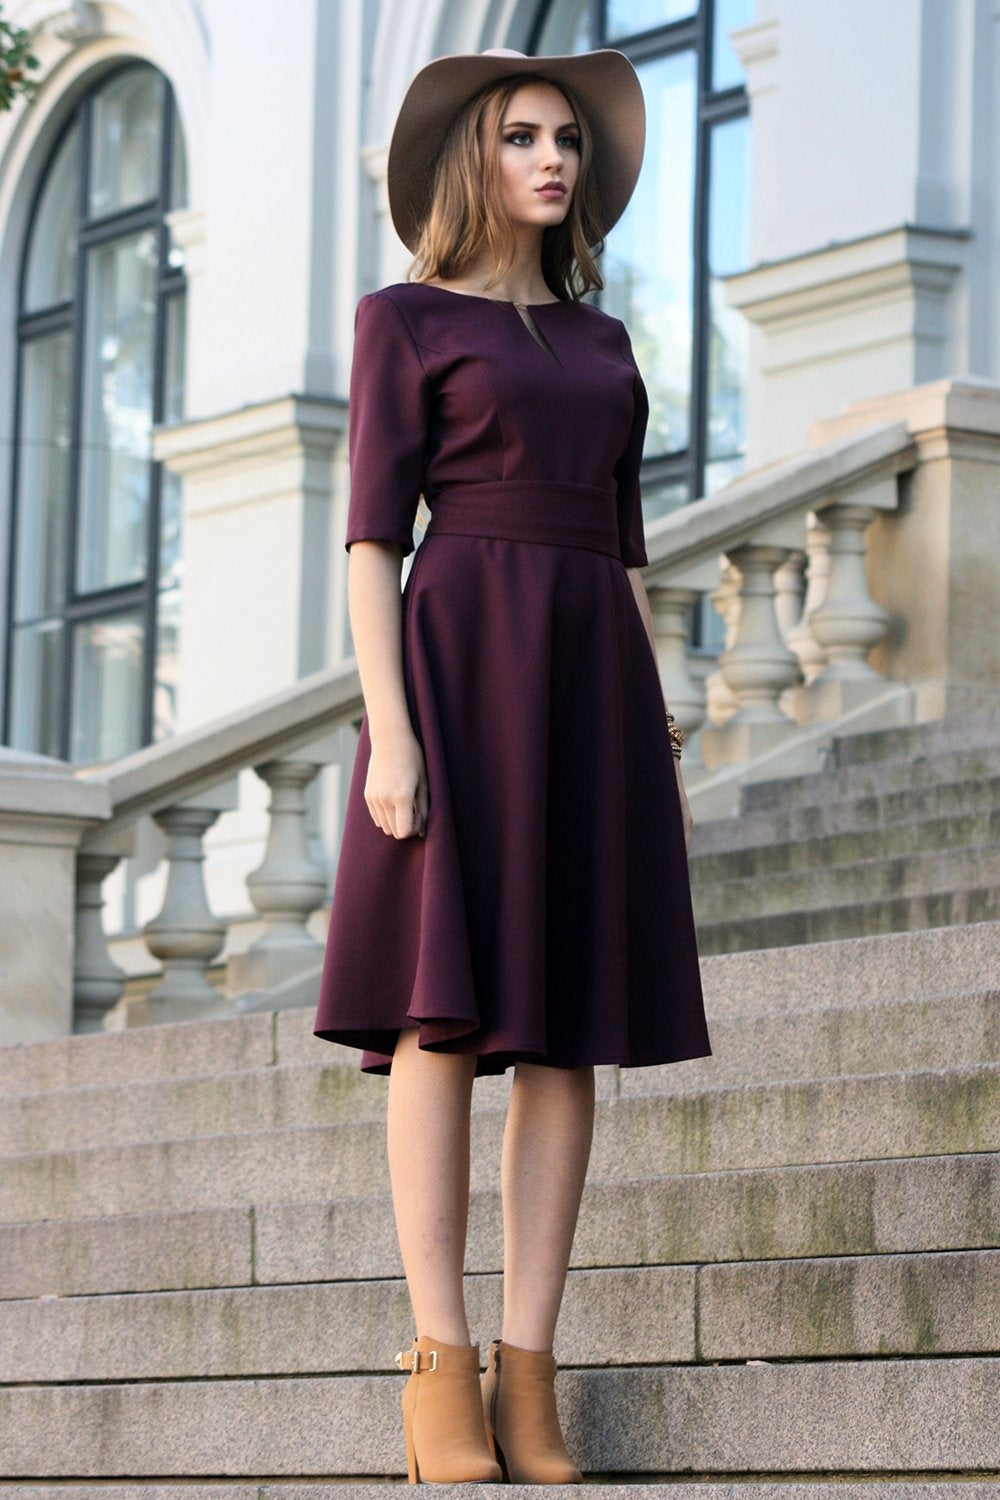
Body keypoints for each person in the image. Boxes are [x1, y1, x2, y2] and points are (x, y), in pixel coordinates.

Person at [314, 46, 711, 1485]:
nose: (552, 160)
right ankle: (440, 1364)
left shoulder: (606, 345)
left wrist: (651, 719)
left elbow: (623, 548)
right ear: (474, 161)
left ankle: (529, 1374)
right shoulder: (404, 320)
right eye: (523, 137)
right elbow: (372, 540)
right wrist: (393, 730)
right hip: (458, 667)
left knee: (569, 1033)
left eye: (568, 142)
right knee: (442, 1018)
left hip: (589, 680)